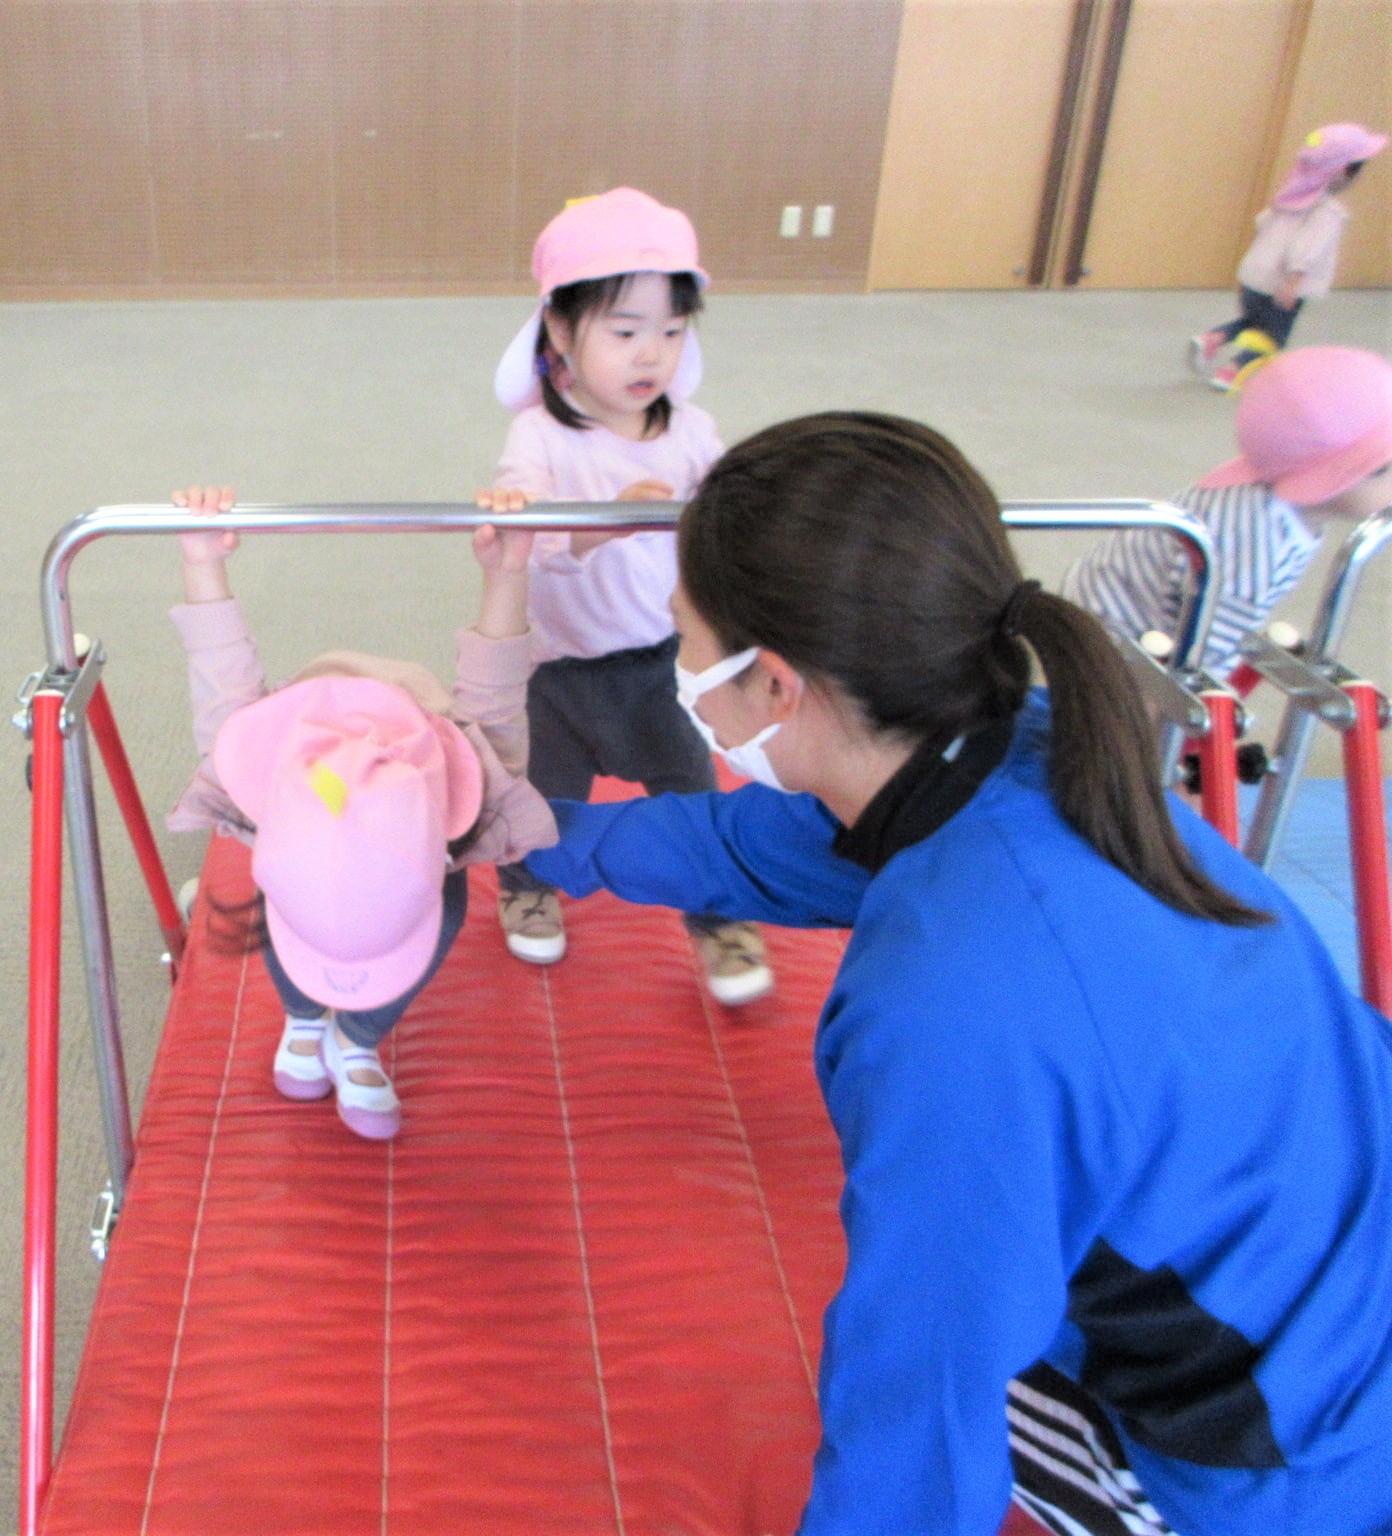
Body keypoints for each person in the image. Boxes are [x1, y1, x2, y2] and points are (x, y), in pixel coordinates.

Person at [522, 413, 1392, 1535]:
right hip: (1332, 1257)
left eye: (680, 637)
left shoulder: (943, 1010)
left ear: (772, 684)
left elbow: (919, 1404)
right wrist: (526, 833)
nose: (677, 668)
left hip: (1296, 1462)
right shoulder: (1022, 747)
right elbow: (764, 847)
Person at [163, 486, 555, 1141]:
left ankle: (355, 1035)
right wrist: (201, 561)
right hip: (308, 776)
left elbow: (497, 684)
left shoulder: (470, 777)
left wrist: (509, 571)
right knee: (290, 896)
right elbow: (218, 670)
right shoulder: (260, 773)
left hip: (409, 747)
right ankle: (305, 1018)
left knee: (448, 907)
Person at [479, 186, 772, 1007]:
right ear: (560, 332)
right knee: (540, 801)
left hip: (665, 667)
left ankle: (720, 920)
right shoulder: (539, 436)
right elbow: (528, 538)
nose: (652, 355)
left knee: (693, 797)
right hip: (558, 673)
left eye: (672, 332)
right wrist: (596, 526)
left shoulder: (692, 432)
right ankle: (525, 887)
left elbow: (731, 514)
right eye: (625, 331)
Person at [1070, 344, 1392, 673]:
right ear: (1324, 478)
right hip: (1109, 637)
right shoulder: (1255, 546)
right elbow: (1200, 657)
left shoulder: (1277, 492)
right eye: (1382, 469)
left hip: (1116, 601)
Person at [1191, 122, 1386, 392]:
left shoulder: (1287, 199)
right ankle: (1233, 370)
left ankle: (1213, 338)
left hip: (1254, 276)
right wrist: (1293, 281)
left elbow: (1261, 225)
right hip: (1281, 285)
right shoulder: (1327, 212)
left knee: (1253, 321)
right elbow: (1308, 248)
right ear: (1344, 171)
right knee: (1273, 337)